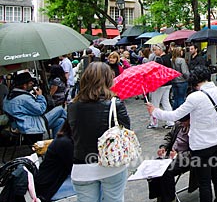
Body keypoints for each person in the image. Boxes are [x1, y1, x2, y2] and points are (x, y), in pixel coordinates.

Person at [147, 66, 217, 202]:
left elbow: (175, 115)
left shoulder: (195, 97)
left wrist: (155, 111)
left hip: (201, 145)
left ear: (195, 82)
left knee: (204, 182)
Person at [68, 62, 131, 202]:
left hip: (82, 167)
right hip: (111, 164)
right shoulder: (115, 104)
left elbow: (72, 133)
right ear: (108, 79)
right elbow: (126, 131)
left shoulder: (72, 106)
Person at [147, 114, 198, 202]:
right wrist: (163, 147)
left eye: (184, 121)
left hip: (185, 159)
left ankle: (169, 198)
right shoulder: (178, 124)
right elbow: (169, 136)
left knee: (166, 171)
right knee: (154, 166)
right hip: (171, 155)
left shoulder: (196, 129)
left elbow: (195, 153)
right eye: (181, 121)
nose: (182, 123)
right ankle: (159, 195)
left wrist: (178, 155)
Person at [3, 72, 67, 137]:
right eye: (30, 83)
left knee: (60, 121)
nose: (32, 84)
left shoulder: (8, 96)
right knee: (60, 109)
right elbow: (40, 110)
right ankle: (75, 127)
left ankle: (57, 144)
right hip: (29, 125)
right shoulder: (24, 98)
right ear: (24, 85)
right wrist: (40, 96)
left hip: (19, 124)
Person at [35, 120, 75, 202]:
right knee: (95, 186)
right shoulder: (65, 143)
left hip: (49, 182)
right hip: (50, 187)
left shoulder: (64, 139)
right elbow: (76, 169)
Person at [150, 43, 174, 129]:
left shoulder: (159, 60)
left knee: (155, 103)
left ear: (160, 50)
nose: (154, 51)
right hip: (168, 83)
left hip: (160, 84)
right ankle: (170, 121)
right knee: (166, 102)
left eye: (155, 50)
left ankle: (154, 122)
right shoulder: (168, 58)